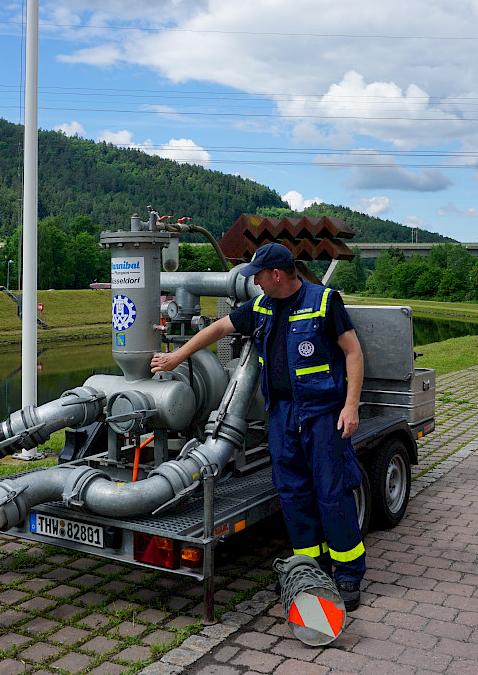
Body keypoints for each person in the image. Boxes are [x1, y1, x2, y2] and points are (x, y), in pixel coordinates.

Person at [150, 242, 367, 610]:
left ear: (277, 274)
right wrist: (176, 356)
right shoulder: (262, 307)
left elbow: (353, 353)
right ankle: (308, 570)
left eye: (259, 276)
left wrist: (350, 407)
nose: (255, 283)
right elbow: (219, 328)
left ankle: (347, 576)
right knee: (293, 492)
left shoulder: (325, 301)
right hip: (282, 415)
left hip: (323, 413)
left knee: (332, 492)